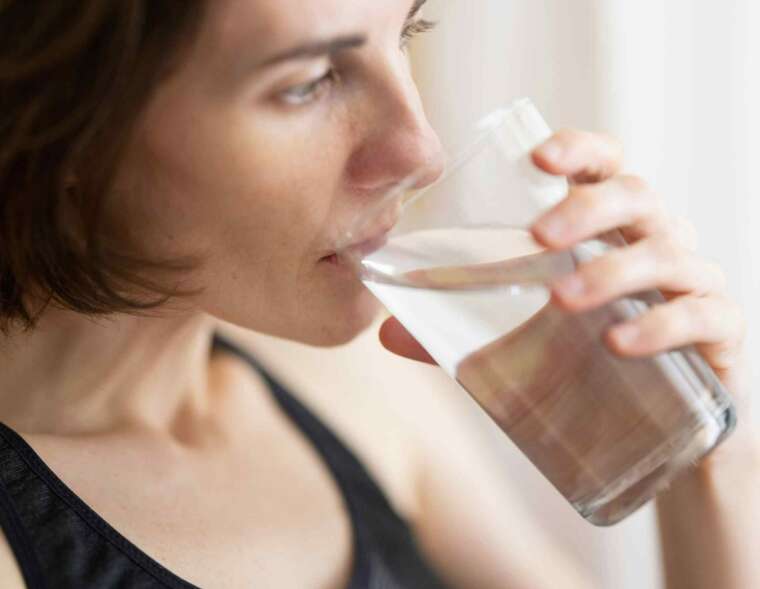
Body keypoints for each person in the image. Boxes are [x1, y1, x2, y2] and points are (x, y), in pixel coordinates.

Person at [0, 1, 757, 588]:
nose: (421, 149)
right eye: (306, 83)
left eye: (408, 29)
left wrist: (700, 451)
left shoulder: (350, 383)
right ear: (61, 120)